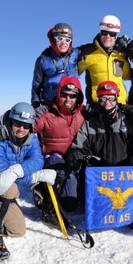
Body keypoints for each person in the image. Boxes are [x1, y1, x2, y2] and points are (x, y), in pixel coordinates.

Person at [0, 102, 55, 260]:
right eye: (17, 124)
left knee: (17, 231)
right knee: (10, 189)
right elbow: (2, 177)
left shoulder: (31, 139)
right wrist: (35, 177)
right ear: (10, 122)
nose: (21, 129)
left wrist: (19, 170)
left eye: (26, 126)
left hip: (3, 188)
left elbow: (37, 160)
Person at [65, 81, 133, 228]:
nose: (107, 103)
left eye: (111, 98)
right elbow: (77, 147)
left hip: (124, 175)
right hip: (101, 173)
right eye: (103, 99)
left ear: (117, 99)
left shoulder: (128, 121)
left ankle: (130, 213)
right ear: (98, 100)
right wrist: (77, 157)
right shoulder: (89, 123)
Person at [33, 75, 85, 224]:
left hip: (72, 159)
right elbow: (25, 127)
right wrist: (6, 122)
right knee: (59, 166)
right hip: (52, 158)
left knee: (70, 204)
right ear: (58, 94)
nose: (68, 100)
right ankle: (41, 189)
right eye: (64, 95)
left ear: (78, 97)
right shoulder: (46, 114)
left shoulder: (82, 115)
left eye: (72, 96)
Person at [78, 15, 131, 104]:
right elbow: (71, 73)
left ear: (116, 36)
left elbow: (128, 75)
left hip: (120, 103)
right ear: (100, 33)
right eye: (104, 32)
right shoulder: (87, 52)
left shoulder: (121, 54)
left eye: (112, 34)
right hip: (97, 104)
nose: (108, 36)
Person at [31, 23, 80, 108]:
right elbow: (36, 87)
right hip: (50, 106)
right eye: (60, 38)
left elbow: (95, 47)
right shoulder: (43, 60)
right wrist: (36, 106)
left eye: (67, 40)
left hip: (71, 104)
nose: (64, 43)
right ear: (54, 39)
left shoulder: (76, 54)